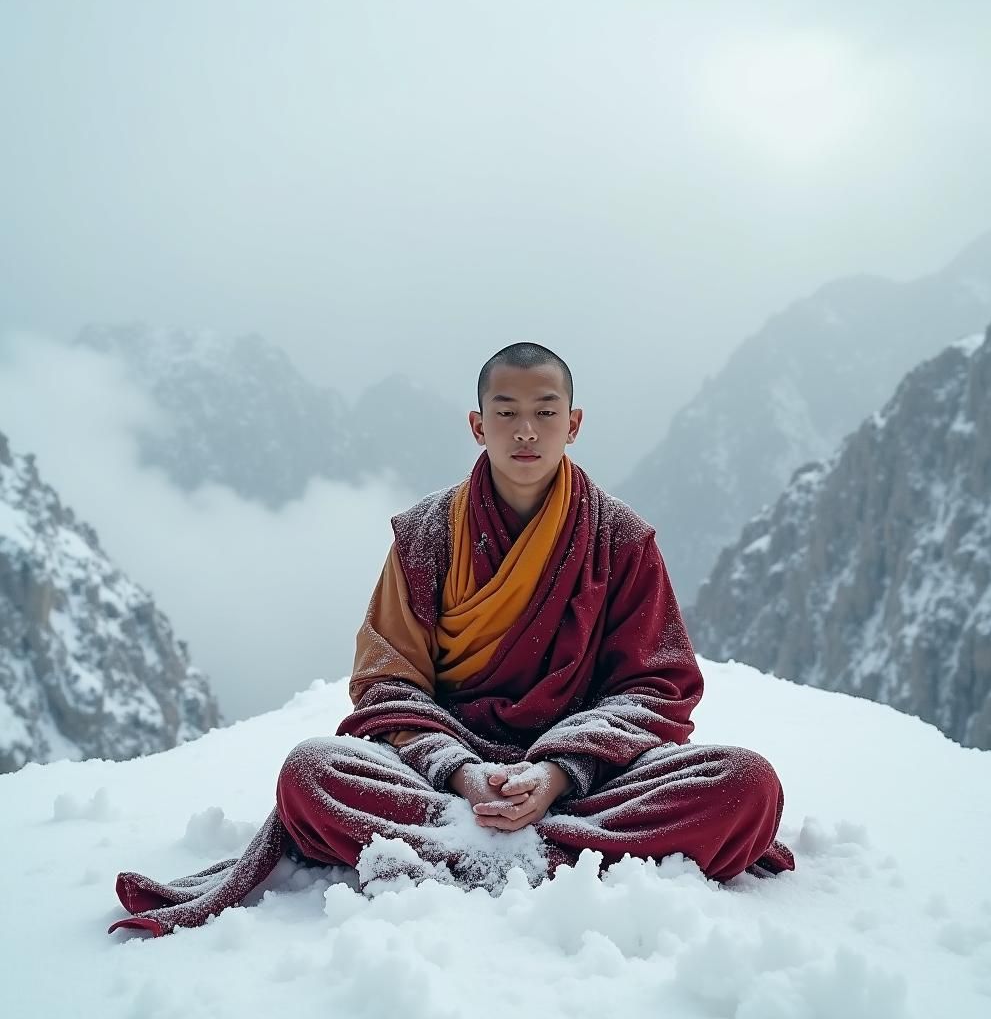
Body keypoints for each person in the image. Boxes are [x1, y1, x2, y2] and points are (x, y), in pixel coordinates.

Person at [109, 343, 794, 937]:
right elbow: (387, 684)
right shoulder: (426, 537)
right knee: (310, 771)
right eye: (506, 412)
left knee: (748, 785)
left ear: (573, 424)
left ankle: (467, 853)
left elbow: (655, 688)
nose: (525, 430)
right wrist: (463, 775)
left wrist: (557, 772)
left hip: (585, 777)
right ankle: (547, 854)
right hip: (449, 778)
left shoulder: (620, 540)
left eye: (545, 411)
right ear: (477, 424)